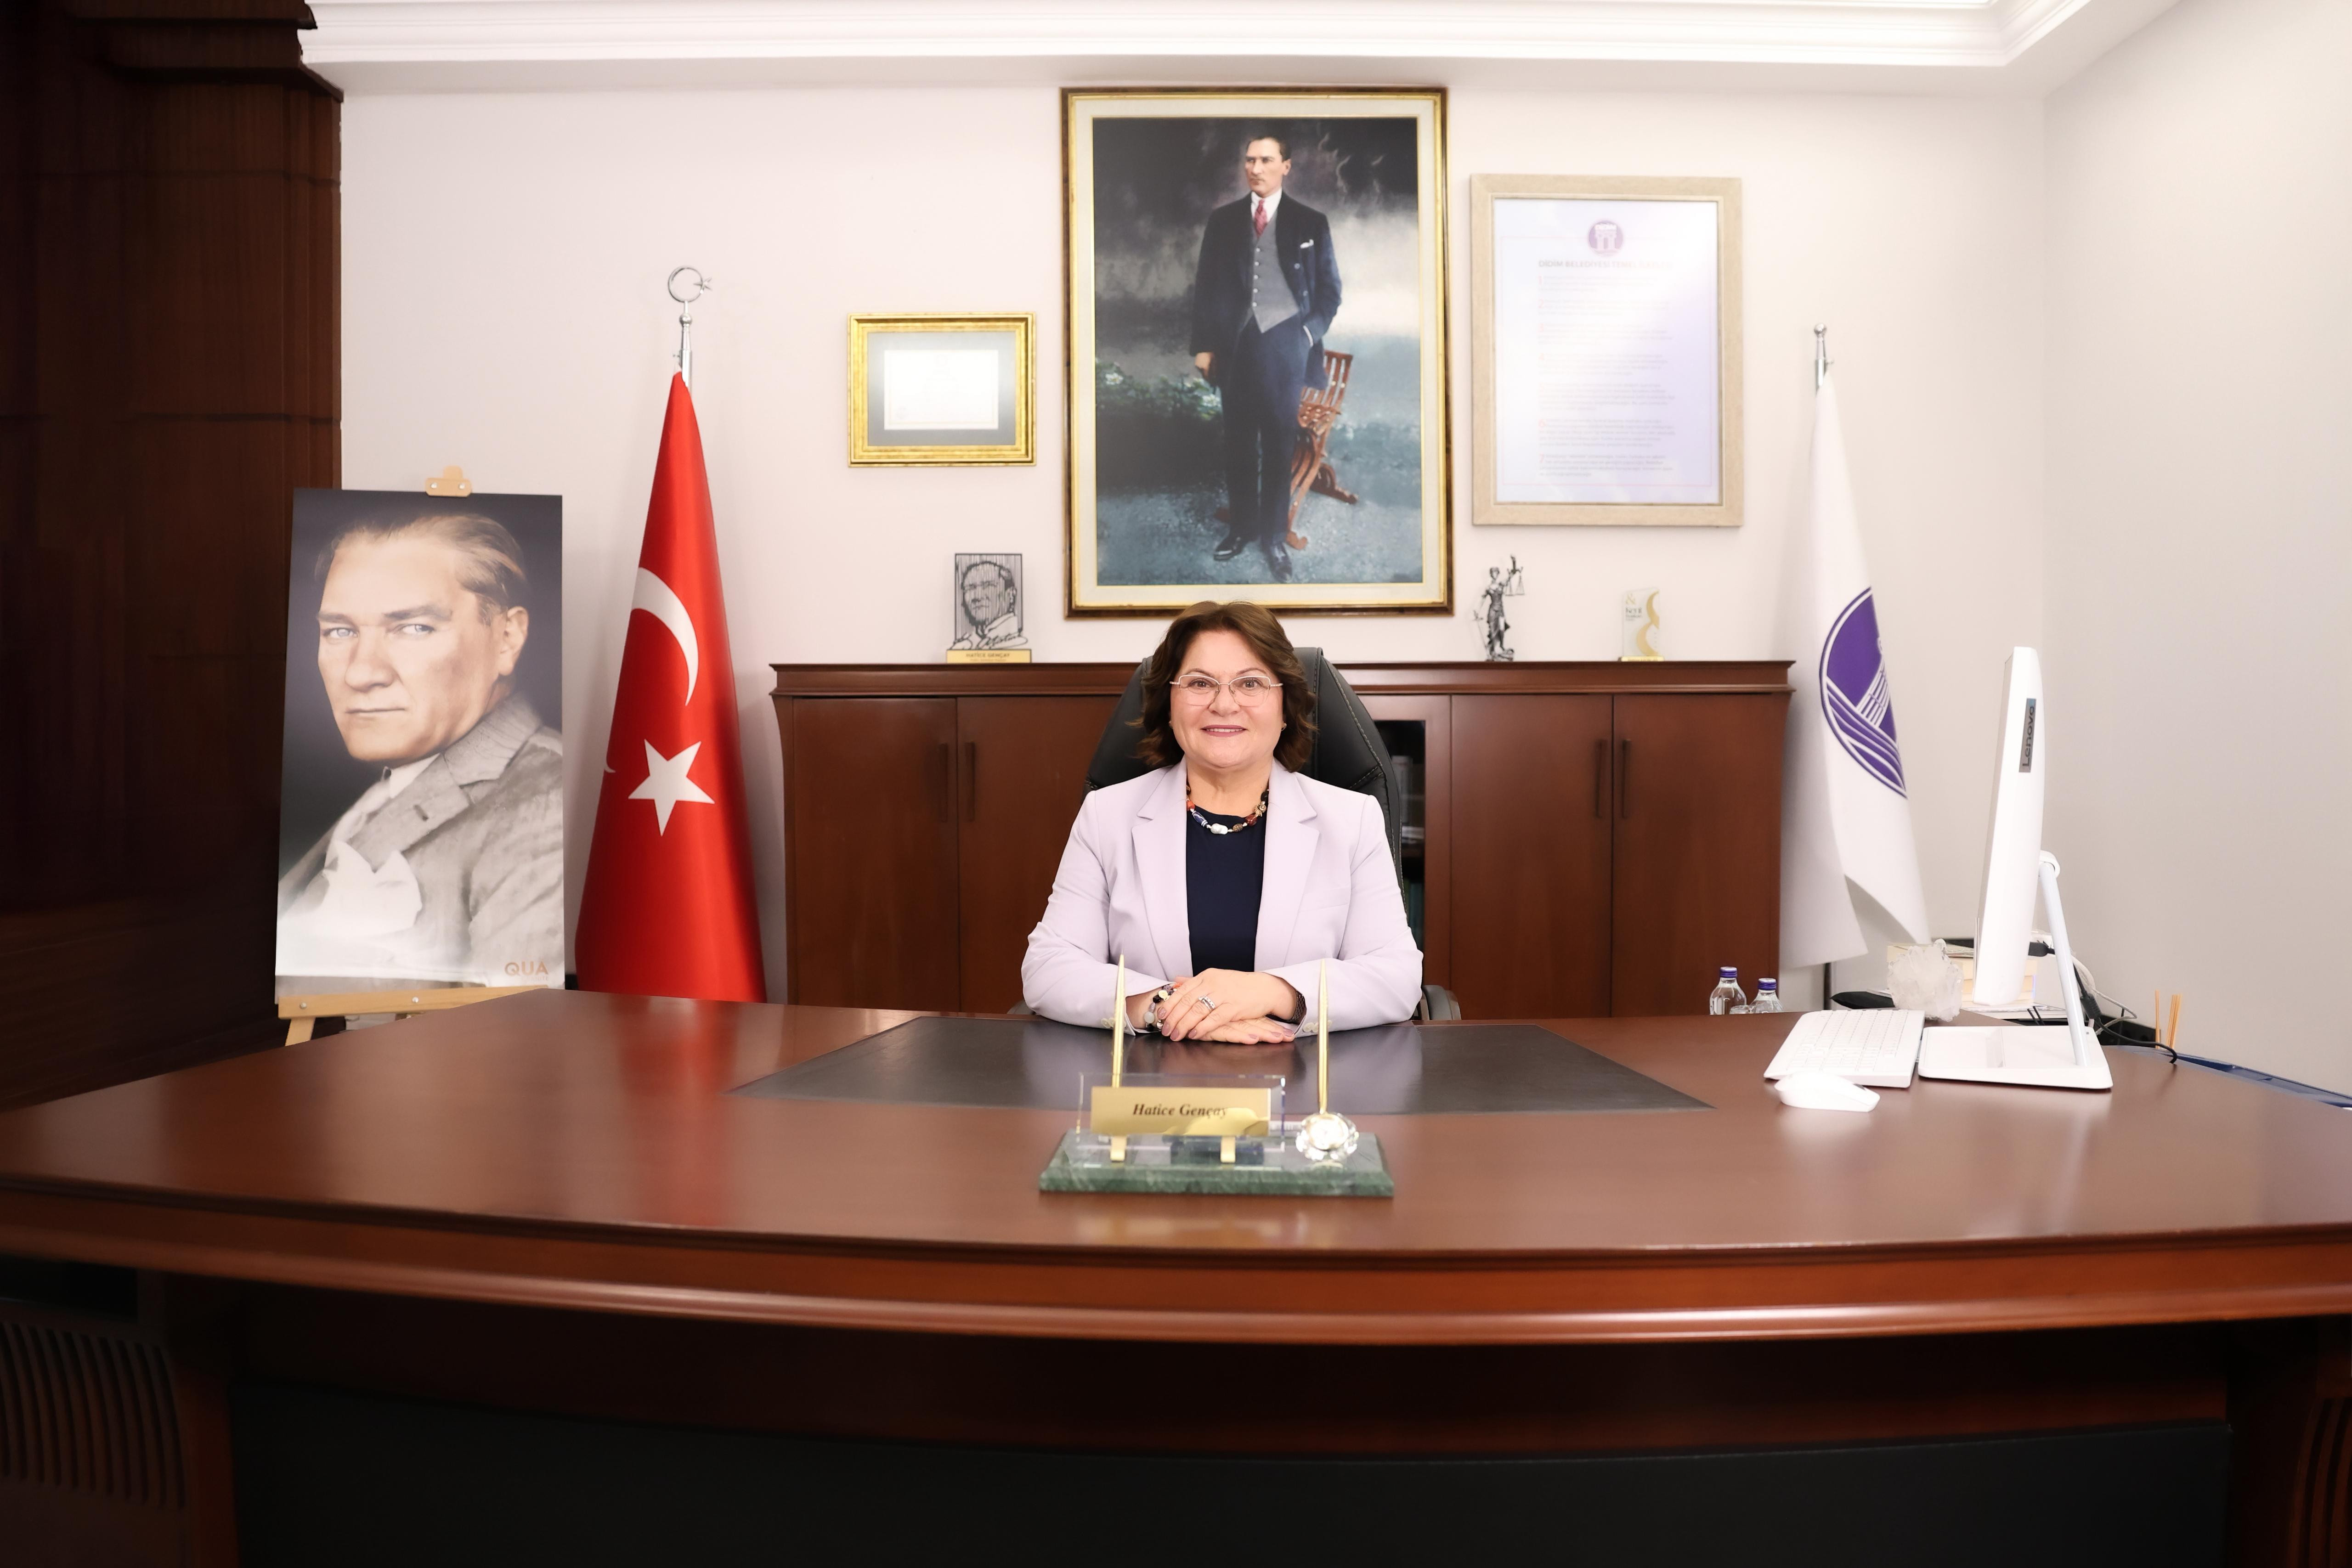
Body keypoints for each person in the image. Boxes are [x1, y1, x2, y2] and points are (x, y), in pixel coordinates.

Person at [1023, 601, 1420, 1038]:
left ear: (1285, 707)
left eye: (1250, 683)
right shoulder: (1107, 816)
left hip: (1304, 1069)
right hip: (1149, 1074)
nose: (1224, 704)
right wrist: (1171, 1009)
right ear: (1169, 704)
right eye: (1200, 683)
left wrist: (1269, 993)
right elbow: (1050, 967)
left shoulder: (1351, 820)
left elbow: (1395, 977)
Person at [276, 510, 563, 985]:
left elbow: (517, 1023)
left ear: (507, 639)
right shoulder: (398, 782)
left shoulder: (543, 805)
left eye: (414, 628)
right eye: (340, 631)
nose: (361, 673)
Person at [1189, 133, 1343, 586]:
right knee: (1237, 442)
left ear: (1286, 167)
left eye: (1266, 160)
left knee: (1278, 444)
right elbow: (1206, 288)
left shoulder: (1311, 223)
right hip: (1235, 346)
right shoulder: (1222, 221)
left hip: (1286, 347)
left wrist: (1306, 335)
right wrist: (1204, 346)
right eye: (1250, 160)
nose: (1255, 168)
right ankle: (1241, 529)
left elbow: (1330, 292)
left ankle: (1274, 538)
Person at [950, 558, 1027, 650]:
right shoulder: (965, 646)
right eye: (970, 588)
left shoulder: (1021, 645)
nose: (977, 597)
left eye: (988, 586)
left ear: (1011, 594)